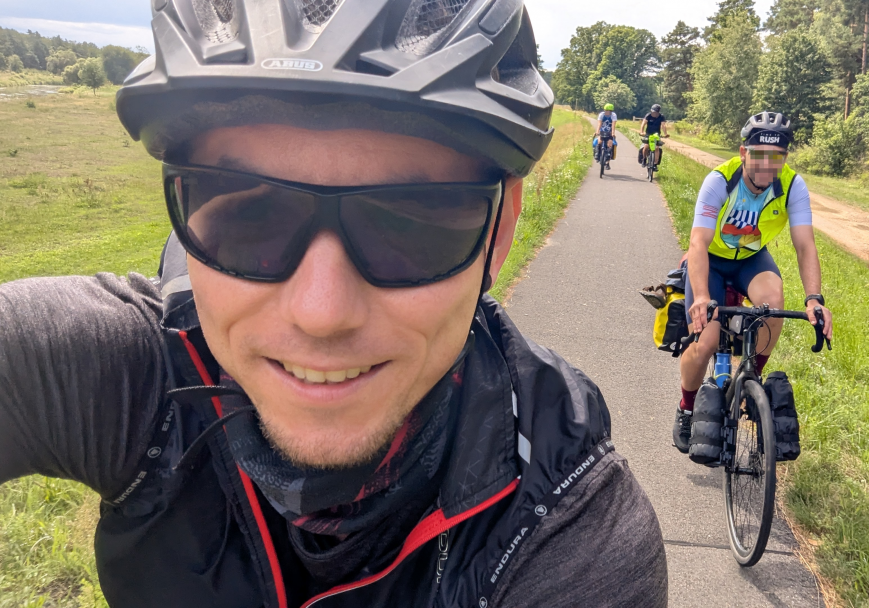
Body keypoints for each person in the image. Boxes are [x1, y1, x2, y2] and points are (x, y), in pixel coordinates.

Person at [0, 1, 668, 606]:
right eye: (250, 218)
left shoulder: (571, 537)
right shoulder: (131, 374)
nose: (322, 314)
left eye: (410, 221)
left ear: (501, 232)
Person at [672, 111, 834, 452]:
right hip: (712, 260)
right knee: (706, 340)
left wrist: (814, 299)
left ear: (784, 158)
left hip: (750, 259)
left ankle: (751, 380)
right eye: (759, 155)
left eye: (776, 157)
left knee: (773, 303)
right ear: (744, 152)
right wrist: (701, 297)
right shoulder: (720, 180)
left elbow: (805, 245)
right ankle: (687, 407)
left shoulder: (791, 185)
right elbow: (698, 243)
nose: (766, 165)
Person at [638, 104, 669, 168]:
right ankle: (644, 159)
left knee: (657, 148)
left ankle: (655, 164)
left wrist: (665, 133)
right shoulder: (648, 115)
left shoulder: (661, 117)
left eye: (655, 112)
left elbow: (663, 125)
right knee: (646, 146)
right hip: (648, 134)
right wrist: (641, 132)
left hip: (656, 135)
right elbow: (643, 124)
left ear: (658, 112)